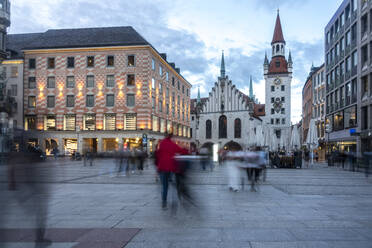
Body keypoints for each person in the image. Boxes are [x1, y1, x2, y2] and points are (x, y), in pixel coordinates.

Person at [155, 133, 188, 209]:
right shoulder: (172, 144)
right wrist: (185, 149)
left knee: (164, 186)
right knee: (174, 185)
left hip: (162, 167)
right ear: (171, 137)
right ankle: (174, 201)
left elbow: (158, 154)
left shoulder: (162, 143)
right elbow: (181, 151)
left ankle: (164, 202)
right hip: (171, 168)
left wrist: (158, 166)